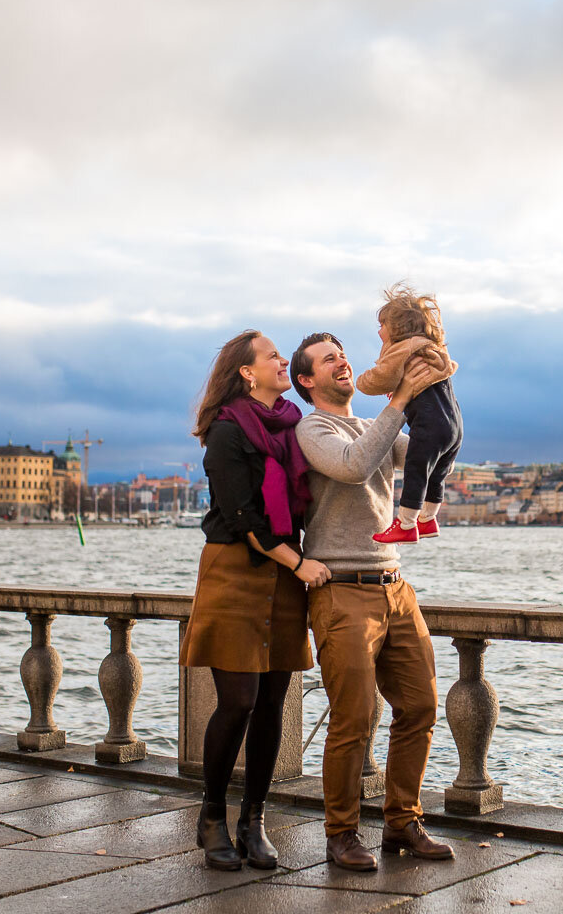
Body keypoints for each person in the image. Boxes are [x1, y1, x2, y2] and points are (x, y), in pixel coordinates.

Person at [290, 331, 455, 871]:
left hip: (394, 585)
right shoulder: (311, 428)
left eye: (343, 354)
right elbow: (356, 465)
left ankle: (402, 823)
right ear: (306, 381)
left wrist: (438, 391)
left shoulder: (371, 425)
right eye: (327, 359)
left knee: (421, 707)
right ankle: (341, 833)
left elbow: (427, 450)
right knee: (354, 719)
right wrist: (400, 402)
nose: (342, 362)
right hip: (341, 591)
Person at [180, 330, 331, 871]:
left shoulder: (293, 426)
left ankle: (254, 819)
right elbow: (243, 518)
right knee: (239, 700)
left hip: (286, 573)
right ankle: (213, 815)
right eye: (272, 356)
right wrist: (300, 562)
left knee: (272, 704)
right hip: (236, 572)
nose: (281, 361)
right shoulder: (227, 433)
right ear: (247, 372)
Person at [356, 283, 461, 544]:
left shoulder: (404, 347)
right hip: (454, 425)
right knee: (436, 473)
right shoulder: (434, 349)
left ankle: (406, 523)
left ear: (397, 327)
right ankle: (427, 520)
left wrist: (362, 381)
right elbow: (451, 367)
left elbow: (381, 377)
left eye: (382, 325)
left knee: (417, 470)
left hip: (429, 423)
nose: (379, 330)